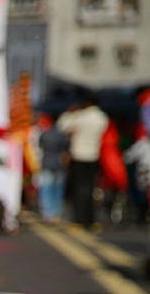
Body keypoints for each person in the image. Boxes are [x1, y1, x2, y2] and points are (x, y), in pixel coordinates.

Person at [57, 94, 109, 231]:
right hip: (94, 155)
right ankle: (91, 220)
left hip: (79, 155)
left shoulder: (81, 116)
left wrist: (71, 112)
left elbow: (62, 125)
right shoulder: (101, 118)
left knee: (78, 189)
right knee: (92, 188)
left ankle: (79, 219)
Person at [35, 113, 69, 223]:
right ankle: (56, 212)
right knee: (58, 189)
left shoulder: (44, 135)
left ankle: (47, 213)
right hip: (59, 163)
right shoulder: (61, 135)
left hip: (46, 163)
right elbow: (66, 148)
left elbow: (40, 147)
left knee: (46, 189)